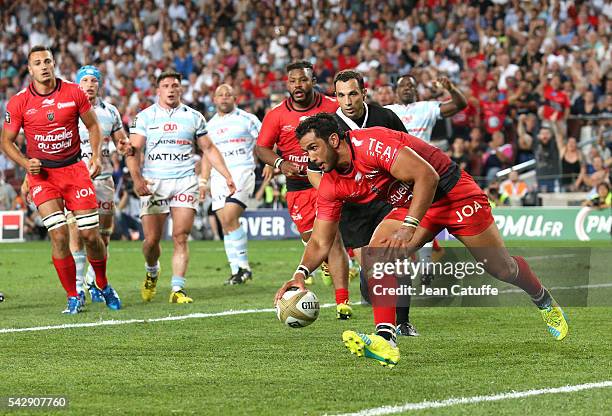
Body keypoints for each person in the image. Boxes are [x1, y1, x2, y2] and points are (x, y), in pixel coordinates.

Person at [276, 113, 569, 368]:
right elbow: (319, 241)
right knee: (376, 255)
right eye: (306, 151)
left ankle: (542, 298)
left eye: (313, 148)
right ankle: (385, 338)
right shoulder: (330, 182)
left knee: (501, 269)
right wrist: (299, 275)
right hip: (413, 203)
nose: (310, 158)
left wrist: (409, 226)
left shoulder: (371, 144)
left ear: (335, 141)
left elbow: (426, 176)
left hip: (452, 193)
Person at [1, 45, 121, 314]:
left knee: (91, 235)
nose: (43, 66)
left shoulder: (73, 92)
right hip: (43, 176)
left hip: (74, 170)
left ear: (54, 64)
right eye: (37, 63)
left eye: (47, 61)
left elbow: (92, 126)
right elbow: (6, 142)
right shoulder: (19, 102)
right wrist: (24, 163)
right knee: (58, 235)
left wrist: (97, 158)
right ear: (29, 69)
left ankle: (102, 283)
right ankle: (72, 295)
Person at [308, 69, 420, 336]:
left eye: (353, 94)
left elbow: (409, 149)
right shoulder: (328, 124)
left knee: (395, 259)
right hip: (352, 208)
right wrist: (331, 191)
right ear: (335, 96)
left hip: (386, 199)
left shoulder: (385, 117)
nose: (347, 101)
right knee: (373, 273)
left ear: (364, 93)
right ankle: (371, 287)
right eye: (341, 95)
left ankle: (401, 321)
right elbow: (312, 168)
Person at [126, 70, 235, 304]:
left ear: (181, 89)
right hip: (154, 183)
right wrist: (137, 180)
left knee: (180, 236)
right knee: (151, 241)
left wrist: (226, 175)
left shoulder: (194, 117)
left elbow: (208, 149)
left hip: (185, 181)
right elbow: (133, 151)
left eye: (175, 85)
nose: (171, 89)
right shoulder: (145, 117)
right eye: (166, 86)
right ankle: (152, 270)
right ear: (158, 90)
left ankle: (177, 289)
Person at [255, 61, 353, 320]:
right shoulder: (276, 115)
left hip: (330, 177)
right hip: (298, 185)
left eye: (304, 80)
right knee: (313, 238)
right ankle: (323, 264)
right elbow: (261, 148)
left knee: (332, 239)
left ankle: (343, 301)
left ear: (313, 81)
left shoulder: (333, 107)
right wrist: (279, 163)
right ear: (287, 84)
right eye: (293, 81)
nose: (298, 85)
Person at [386, 73, 468, 333]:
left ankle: (423, 265)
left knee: (417, 223)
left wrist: (450, 88)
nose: (408, 88)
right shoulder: (388, 112)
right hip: (394, 177)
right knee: (402, 233)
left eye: (411, 85)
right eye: (403, 85)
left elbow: (460, 105)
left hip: (424, 176)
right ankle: (419, 266)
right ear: (394, 91)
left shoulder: (426, 108)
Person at [67, 65, 129, 305]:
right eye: (85, 80)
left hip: (102, 179)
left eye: (94, 80)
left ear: (99, 84)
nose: (90, 84)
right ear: (78, 84)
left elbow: (121, 140)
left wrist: (125, 146)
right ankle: (77, 287)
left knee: (103, 235)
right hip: (74, 178)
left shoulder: (110, 111)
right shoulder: (69, 109)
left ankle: (94, 282)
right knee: (77, 231)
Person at [202, 84, 261, 284]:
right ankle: (236, 270)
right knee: (225, 224)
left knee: (229, 216)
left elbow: (264, 142)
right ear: (214, 99)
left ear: (235, 98)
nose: (225, 98)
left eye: (228, 94)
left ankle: (245, 267)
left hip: (242, 171)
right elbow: (206, 155)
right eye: (221, 95)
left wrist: (271, 163)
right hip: (218, 177)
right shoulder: (208, 126)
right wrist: (203, 182)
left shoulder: (248, 119)